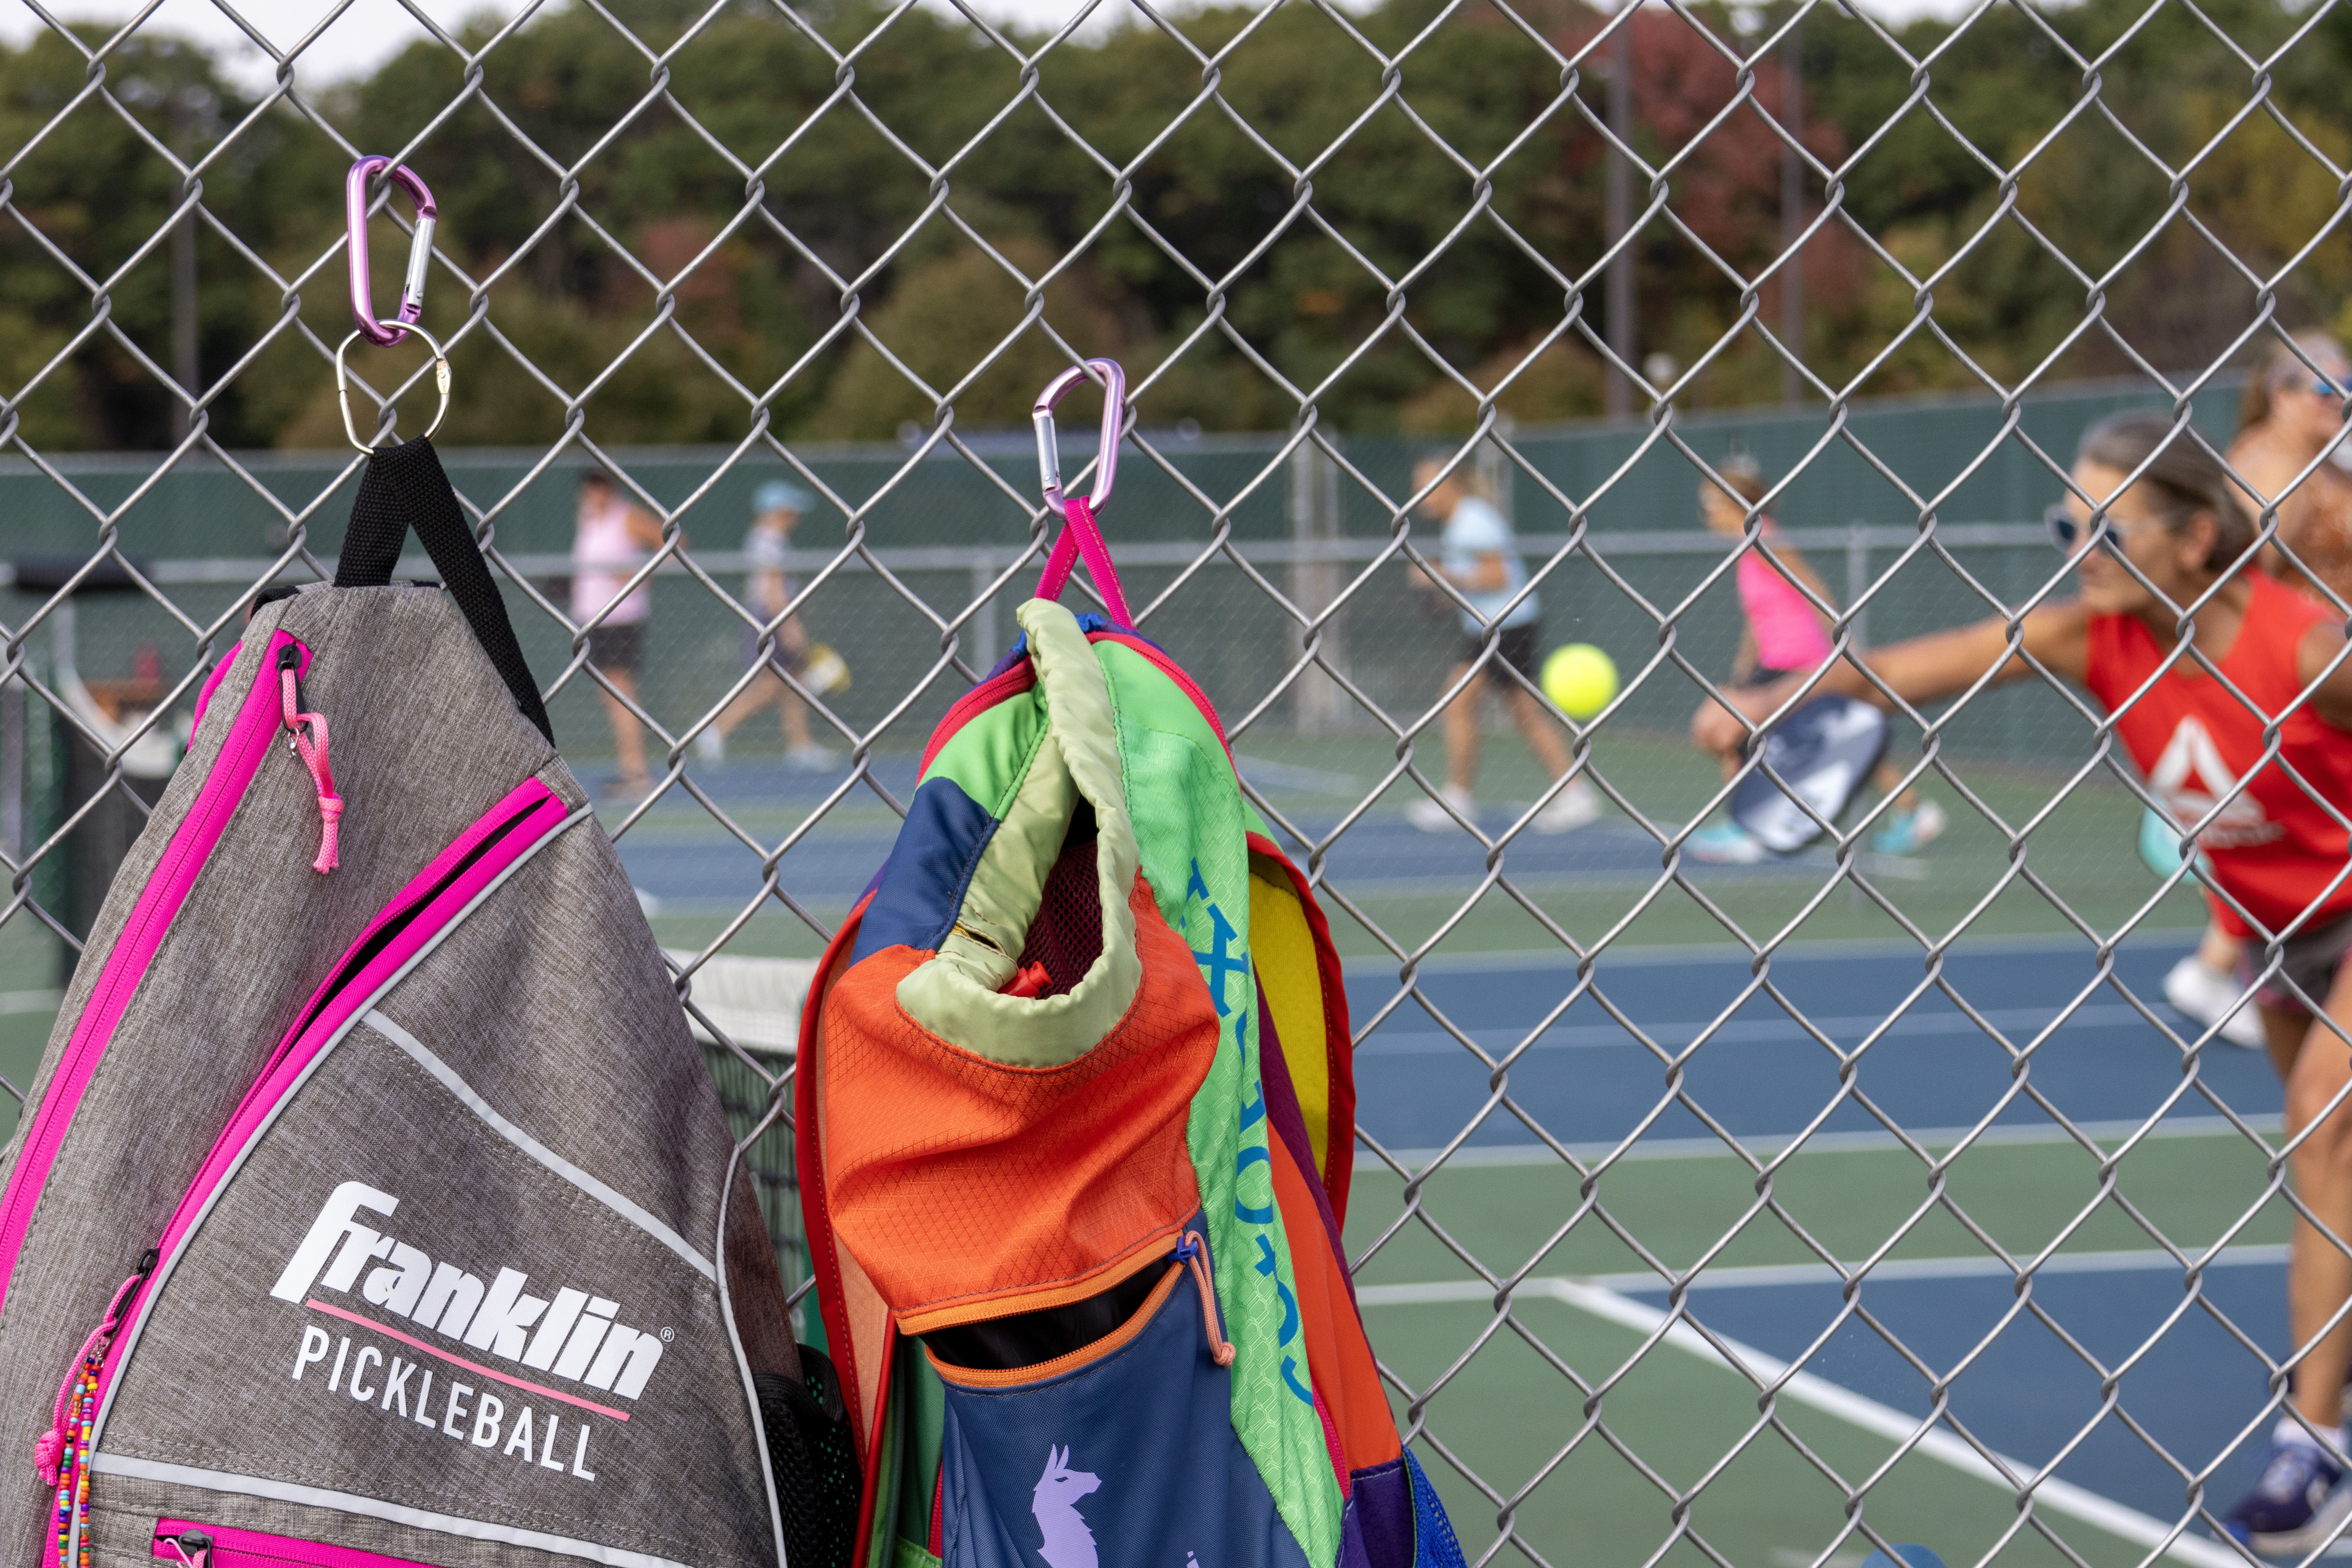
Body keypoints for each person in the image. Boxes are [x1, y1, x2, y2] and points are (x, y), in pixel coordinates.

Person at [1692, 412, 2352, 1554]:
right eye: (2066, 523)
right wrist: (1773, 702)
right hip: (2278, 933)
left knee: (2322, 1121)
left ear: (2196, 539)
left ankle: (2311, 1444)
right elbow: (1905, 670)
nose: (2079, 548)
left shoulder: (2304, 649)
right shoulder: (2095, 641)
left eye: (2108, 526)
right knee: (2326, 1175)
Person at [2160, 335, 2352, 1047]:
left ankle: (2233, 966)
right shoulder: (2274, 466)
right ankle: (2227, 966)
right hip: (2297, 686)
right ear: (2283, 393)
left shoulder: (2317, 463)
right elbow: (2246, 569)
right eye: (2327, 389)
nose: (2341, 401)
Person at [1684, 455, 1946, 863]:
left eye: (1712, 504)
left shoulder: (1767, 539)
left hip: (1800, 658)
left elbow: (1813, 588)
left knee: (1736, 732)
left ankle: (1746, 827)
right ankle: (1914, 809)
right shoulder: (1747, 548)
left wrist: (1845, 648)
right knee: (1833, 736)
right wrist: (1741, 670)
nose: (1707, 515)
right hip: (1777, 657)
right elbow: (1758, 619)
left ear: (1738, 504)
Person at [1403, 451, 1602, 834]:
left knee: (1458, 702)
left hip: (1505, 627)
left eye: (1427, 486)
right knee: (1525, 714)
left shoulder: (1473, 522)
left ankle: (1459, 799)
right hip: (1494, 626)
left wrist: (1439, 575)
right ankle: (1575, 793)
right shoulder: (1461, 522)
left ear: (1451, 485)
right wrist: (1443, 587)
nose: (1420, 495)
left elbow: (1498, 578)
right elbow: (1472, 579)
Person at [695, 479, 839, 770]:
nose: (796, 517)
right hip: (770, 620)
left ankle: (800, 745)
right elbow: (773, 590)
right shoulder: (769, 540)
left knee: (795, 682)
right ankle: (714, 731)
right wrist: (790, 628)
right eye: (790, 511)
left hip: (772, 618)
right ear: (775, 512)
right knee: (770, 686)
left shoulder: (770, 540)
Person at [571, 469, 668, 799]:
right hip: (594, 620)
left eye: (599, 488)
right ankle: (629, 766)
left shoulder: (626, 516)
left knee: (622, 690)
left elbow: (672, 540)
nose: (593, 494)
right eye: (588, 488)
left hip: (620, 617)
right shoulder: (588, 520)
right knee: (610, 694)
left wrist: (639, 576)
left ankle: (636, 770)